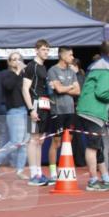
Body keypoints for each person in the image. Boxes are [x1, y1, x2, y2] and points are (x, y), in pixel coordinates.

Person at [76, 41, 109, 191]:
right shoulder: (107, 69)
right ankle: (92, 181)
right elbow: (102, 92)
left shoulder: (99, 65)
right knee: (93, 146)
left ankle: (105, 178)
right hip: (92, 111)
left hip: (91, 110)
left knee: (99, 145)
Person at [46, 46, 80, 181]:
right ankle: (53, 172)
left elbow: (78, 91)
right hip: (58, 111)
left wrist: (66, 88)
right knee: (56, 142)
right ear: (62, 55)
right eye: (70, 55)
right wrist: (70, 87)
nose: (72, 58)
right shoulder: (53, 70)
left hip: (70, 110)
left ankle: (64, 169)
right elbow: (58, 90)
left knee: (68, 142)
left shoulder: (72, 72)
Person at [21, 39, 52, 186]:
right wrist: (31, 109)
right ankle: (33, 174)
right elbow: (25, 89)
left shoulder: (43, 67)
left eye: (47, 50)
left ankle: (39, 173)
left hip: (44, 105)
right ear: (37, 50)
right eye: (44, 49)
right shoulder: (31, 67)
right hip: (34, 105)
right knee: (33, 140)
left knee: (39, 141)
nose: (46, 52)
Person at [0, 51, 28, 175]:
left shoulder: (25, 74)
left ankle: (20, 170)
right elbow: (8, 86)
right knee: (15, 141)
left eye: (18, 59)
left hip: (27, 111)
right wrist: (18, 72)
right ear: (9, 62)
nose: (16, 61)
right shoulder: (5, 74)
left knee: (24, 142)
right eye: (13, 59)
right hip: (14, 111)